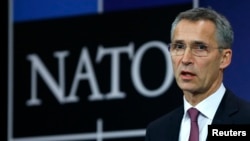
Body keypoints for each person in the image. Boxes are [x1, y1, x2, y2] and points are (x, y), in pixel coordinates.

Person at [145, 7, 250, 141]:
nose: (186, 59)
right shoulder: (157, 132)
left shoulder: (245, 120)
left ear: (224, 58)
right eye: (179, 46)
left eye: (200, 48)